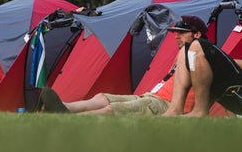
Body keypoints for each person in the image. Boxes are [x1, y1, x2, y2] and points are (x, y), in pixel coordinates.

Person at [38, 15, 208, 115]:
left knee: (114, 109)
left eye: (181, 33)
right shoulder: (185, 51)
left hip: (164, 105)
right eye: (175, 33)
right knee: (102, 97)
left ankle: (69, 120)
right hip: (150, 97)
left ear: (197, 34)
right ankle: (64, 108)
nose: (176, 36)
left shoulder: (203, 57)